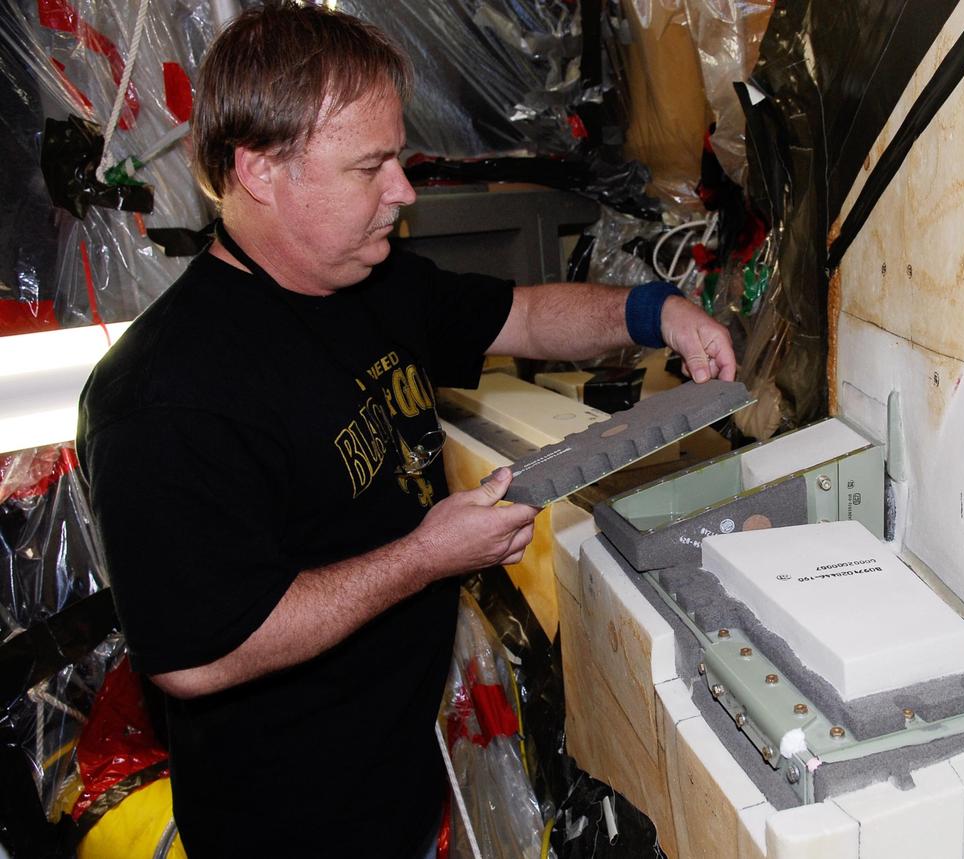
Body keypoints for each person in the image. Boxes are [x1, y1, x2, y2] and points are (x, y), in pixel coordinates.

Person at [76, 4, 735, 857]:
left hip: (405, 788)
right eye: (371, 167)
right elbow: (198, 656)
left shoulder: (369, 281)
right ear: (260, 170)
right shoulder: (164, 398)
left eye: (399, 158)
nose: (404, 191)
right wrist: (425, 556)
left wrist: (656, 312)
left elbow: (524, 316)